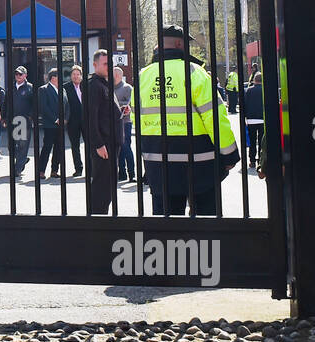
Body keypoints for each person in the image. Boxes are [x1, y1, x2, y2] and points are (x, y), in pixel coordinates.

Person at [137, 25, 239, 216]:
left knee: (166, 228)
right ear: (178, 43)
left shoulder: (143, 76)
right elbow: (215, 118)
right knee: (205, 225)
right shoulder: (194, 73)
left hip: (159, 163)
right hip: (198, 164)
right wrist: (229, 154)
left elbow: (137, 120)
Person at [85, 49, 121, 214]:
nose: (109, 66)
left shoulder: (105, 84)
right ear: (95, 65)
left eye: (110, 63)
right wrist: (98, 144)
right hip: (104, 145)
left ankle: (102, 217)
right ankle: (97, 221)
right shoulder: (94, 86)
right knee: (102, 186)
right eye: (105, 63)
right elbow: (90, 118)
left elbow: (105, 112)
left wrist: (121, 111)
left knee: (108, 185)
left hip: (111, 143)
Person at [36, 68, 66, 179]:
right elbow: (44, 107)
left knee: (58, 147)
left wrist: (65, 118)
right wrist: (56, 119)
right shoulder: (43, 89)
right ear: (53, 78)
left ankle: (54, 170)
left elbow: (66, 105)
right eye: (59, 77)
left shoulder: (62, 89)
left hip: (61, 124)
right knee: (47, 147)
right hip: (50, 124)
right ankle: (41, 171)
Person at [7, 66, 36, 179]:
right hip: (12, 120)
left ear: (25, 75)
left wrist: (30, 116)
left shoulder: (30, 88)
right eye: (16, 74)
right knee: (12, 146)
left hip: (24, 121)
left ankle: (17, 169)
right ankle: (22, 160)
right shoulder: (11, 87)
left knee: (22, 145)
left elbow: (35, 104)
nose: (18, 76)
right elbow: (6, 103)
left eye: (20, 74)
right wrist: (4, 117)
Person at [113, 64, 136, 183]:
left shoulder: (127, 88)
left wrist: (122, 107)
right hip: (113, 123)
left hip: (125, 122)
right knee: (118, 148)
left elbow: (130, 104)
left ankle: (132, 173)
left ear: (117, 75)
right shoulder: (109, 87)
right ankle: (121, 173)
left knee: (126, 147)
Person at [63, 65, 87, 176]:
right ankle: (78, 169)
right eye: (74, 74)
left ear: (81, 75)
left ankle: (90, 168)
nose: (76, 76)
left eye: (78, 74)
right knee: (75, 146)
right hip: (72, 121)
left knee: (90, 145)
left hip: (86, 120)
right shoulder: (65, 87)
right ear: (71, 76)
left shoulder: (87, 85)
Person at [242, 71, 265, 166]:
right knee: (261, 141)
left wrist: (245, 117)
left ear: (254, 80)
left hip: (251, 119)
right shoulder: (264, 90)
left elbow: (244, 104)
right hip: (262, 119)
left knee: (252, 141)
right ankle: (260, 160)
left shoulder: (248, 90)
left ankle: (252, 161)